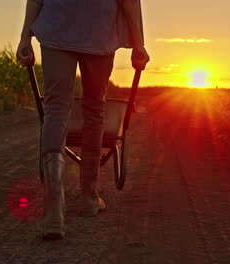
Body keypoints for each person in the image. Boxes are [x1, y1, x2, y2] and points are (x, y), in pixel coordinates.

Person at [16, 0, 149, 239]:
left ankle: (53, 209)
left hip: (57, 25)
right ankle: (88, 197)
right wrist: (139, 44)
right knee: (95, 109)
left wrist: (25, 37)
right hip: (99, 31)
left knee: (55, 107)